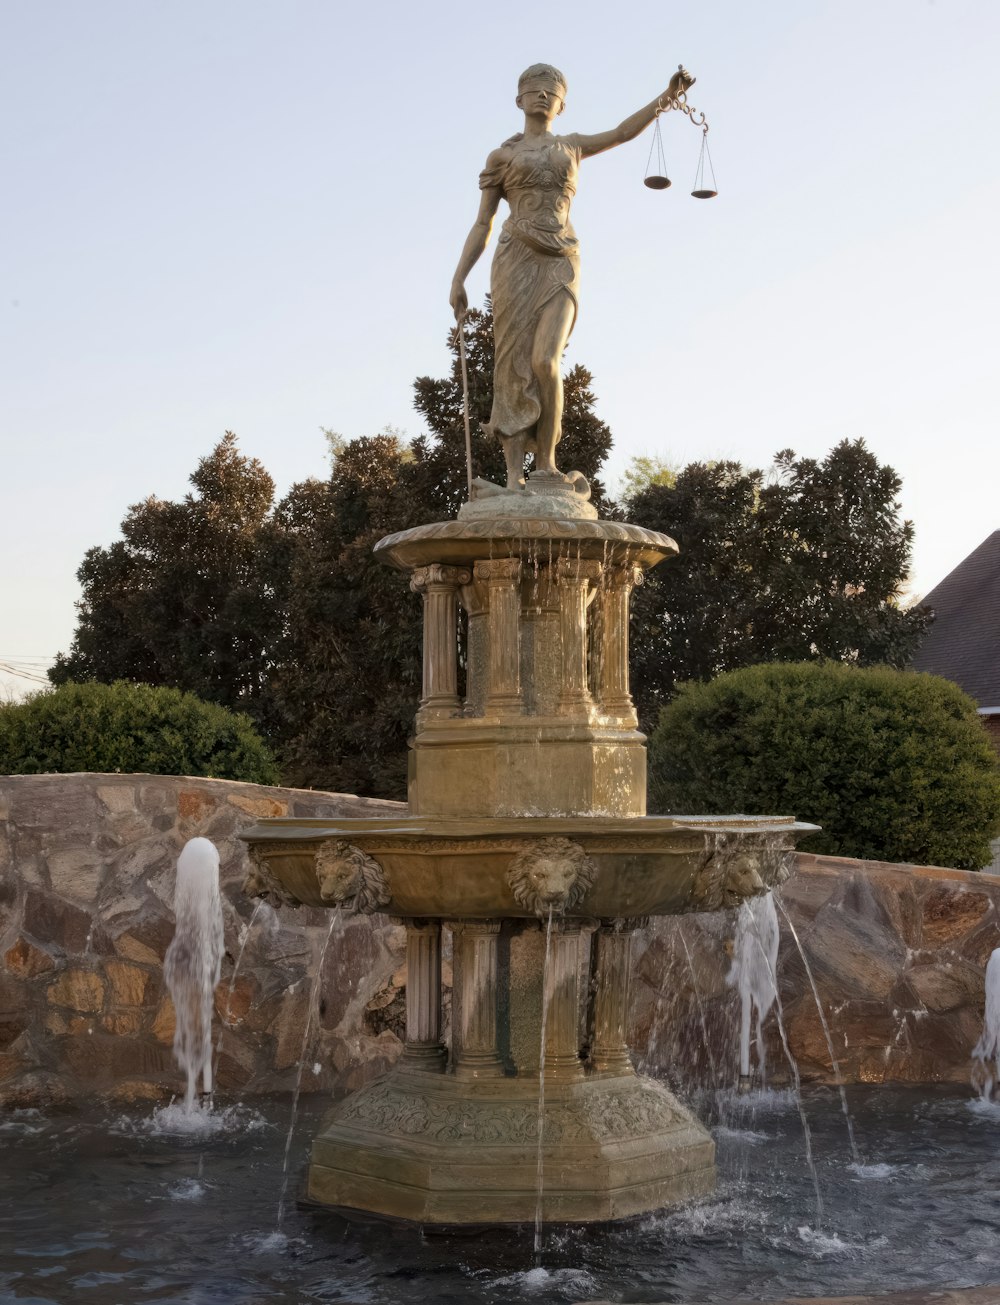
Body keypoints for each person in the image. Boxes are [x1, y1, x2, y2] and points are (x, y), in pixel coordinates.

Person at [450, 62, 694, 494]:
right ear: (519, 99)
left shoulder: (572, 146)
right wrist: (459, 278)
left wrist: (666, 98)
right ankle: (512, 477)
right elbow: (482, 223)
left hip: (561, 259)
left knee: (546, 361)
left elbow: (621, 133)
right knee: (512, 365)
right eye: (534, 90)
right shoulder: (502, 157)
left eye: (551, 91)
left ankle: (546, 464)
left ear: (562, 103)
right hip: (515, 259)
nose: (542, 96)